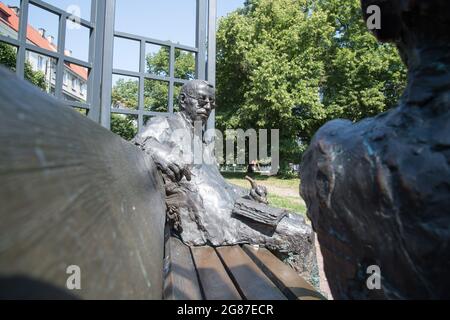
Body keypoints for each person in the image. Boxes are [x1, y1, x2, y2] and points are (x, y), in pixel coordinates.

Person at [133, 80, 314, 277]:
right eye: (202, 101)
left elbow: (219, 183)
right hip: (213, 218)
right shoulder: (165, 123)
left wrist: (249, 194)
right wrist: (162, 154)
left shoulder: (200, 138)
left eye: (212, 102)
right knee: (302, 236)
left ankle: (278, 286)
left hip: (229, 207)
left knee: (298, 221)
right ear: (183, 100)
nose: (208, 106)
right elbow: (139, 142)